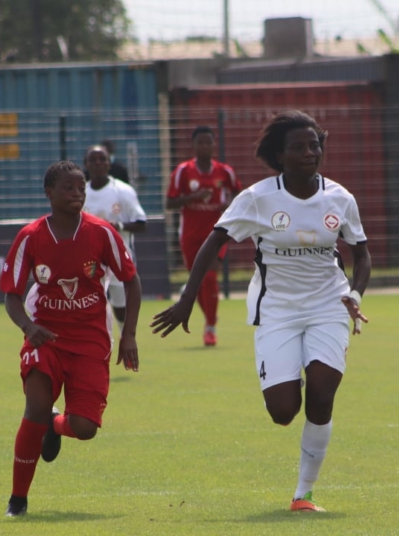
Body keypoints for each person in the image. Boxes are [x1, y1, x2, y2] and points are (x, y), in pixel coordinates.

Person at [152, 110, 371, 512]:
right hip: (277, 311)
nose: (309, 153)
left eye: (314, 145)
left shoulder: (340, 198)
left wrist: (355, 295)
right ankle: (292, 371)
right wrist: (187, 299)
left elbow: (362, 254)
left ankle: (303, 494)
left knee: (322, 394)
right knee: (283, 412)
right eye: (298, 147)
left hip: (329, 305)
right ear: (279, 155)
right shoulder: (257, 198)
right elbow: (213, 242)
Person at [0, 161, 142, 516]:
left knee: (85, 427)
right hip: (45, 336)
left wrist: (129, 335)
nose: (77, 193)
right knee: (35, 407)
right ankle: (17, 499)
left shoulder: (102, 232)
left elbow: (131, 280)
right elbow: (11, 295)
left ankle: (55, 423)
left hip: (91, 340)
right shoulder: (31, 236)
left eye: (81, 188)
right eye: (68, 187)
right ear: (49, 193)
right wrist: (28, 327)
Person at [166, 125, 242, 346]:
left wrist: (229, 205)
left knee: (209, 277)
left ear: (213, 144)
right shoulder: (183, 171)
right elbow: (170, 203)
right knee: (196, 281)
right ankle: (210, 314)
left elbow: (238, 193)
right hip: (190, 235)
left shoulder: (224, 171)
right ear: (193, 145)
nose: (205, 146)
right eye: (200, 142)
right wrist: (193, 197)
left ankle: (210, 326)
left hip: (217, 233)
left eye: (208, 142)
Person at [83, 144, 147, 334]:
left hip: (118, 258)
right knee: (91, 303)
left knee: (120, 305)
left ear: (109, 163)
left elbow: (141, 223)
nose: (98, 163)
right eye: (93, 160)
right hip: (89, 259)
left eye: (102, 159)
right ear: (86, 164)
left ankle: (124, 334)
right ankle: (97, 340)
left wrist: (118, 226)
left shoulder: (123, 191)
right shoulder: (81, 192)